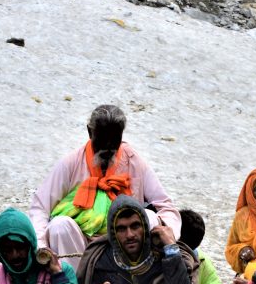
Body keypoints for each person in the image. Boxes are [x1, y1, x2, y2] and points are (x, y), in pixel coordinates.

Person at [30, 105, 180, 268]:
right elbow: (40, 208)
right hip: (80, 248)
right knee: (59, 225)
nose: (108, 146)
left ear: (122, 135)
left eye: (114, 140)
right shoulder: (70, 163)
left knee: (150, 217)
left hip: (123, 247)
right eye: (102, 139)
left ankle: (136, 279)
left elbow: (166, 207)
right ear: (89, 132)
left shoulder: (134, 161)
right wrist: (42, 248)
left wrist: (169, 234)